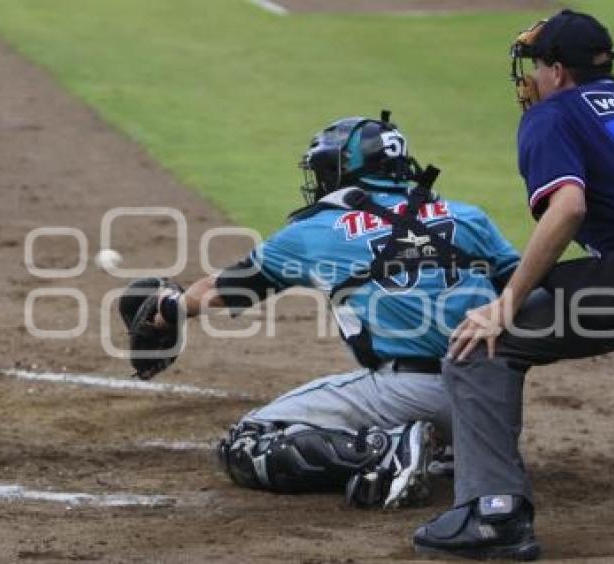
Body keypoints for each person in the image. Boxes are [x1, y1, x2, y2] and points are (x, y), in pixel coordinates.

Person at [412, 9, 614, 560]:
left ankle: (494, 513)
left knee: (481, 345)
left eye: (536, 66)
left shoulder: (554, 113)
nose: (530, 78)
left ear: (558, 71)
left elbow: (568, 209)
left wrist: (504, 305)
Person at [122, 112, 519, 509]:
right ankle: (449, 449)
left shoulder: (316, 232)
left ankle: (387, 449)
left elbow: (223, 289)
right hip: (492, 401)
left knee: (246, 443)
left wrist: (169, 308)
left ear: (344, 170)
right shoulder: (469, 217)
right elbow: (530, 289)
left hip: (409, 391)